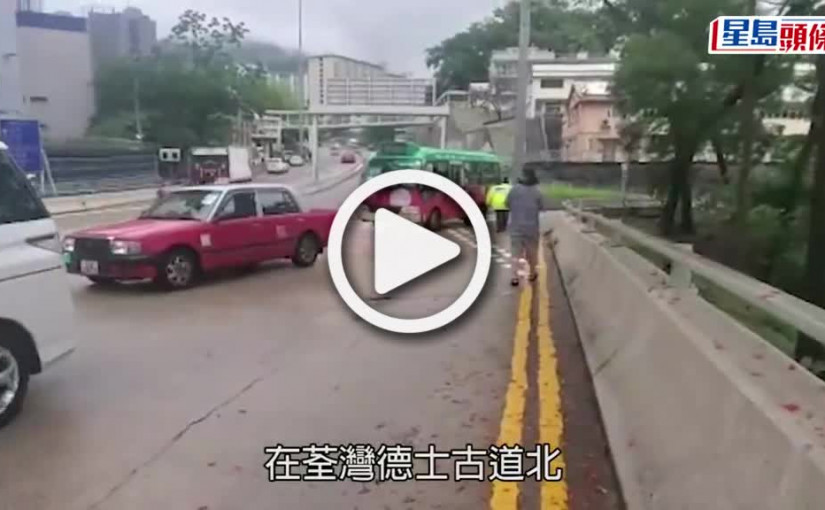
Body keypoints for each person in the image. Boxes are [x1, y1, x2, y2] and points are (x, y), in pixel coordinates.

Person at [505, 168, 543, 287]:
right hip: (532, 228)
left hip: (516, 227)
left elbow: (507, 203)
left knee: (515, 253)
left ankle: (514, 277)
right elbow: (542, 206)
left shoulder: (514, 189)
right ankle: (532, 273)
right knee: (532, 253)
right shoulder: (537, 191)